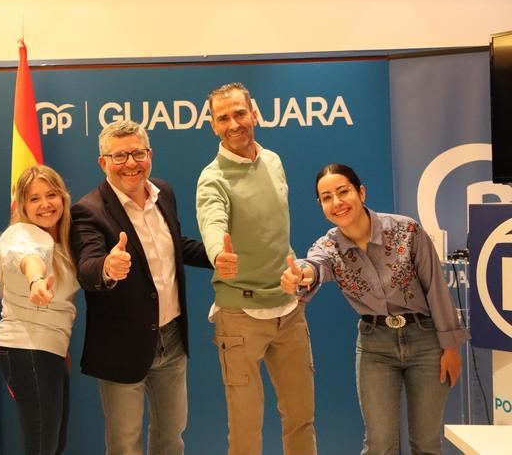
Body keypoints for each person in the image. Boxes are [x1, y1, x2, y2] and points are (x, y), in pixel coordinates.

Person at [281, 163, 469, 454]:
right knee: (379, 443)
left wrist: (450, 347)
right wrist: (301, 275)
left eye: (343, 192)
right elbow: (314, 267)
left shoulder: (406, 230)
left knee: (426, 442)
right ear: (321, 205)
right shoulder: (327, 247)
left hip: (426, 341)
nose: (337, 202)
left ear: (361, 192)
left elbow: (436, 288)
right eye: (327, 197)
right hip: (375, 347)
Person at [70, 120, 224, 455]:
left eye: (137, 153)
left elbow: (176, 245)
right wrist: (108, 267)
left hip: (172, 338)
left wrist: (216, 256)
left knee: (171, 437)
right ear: (103, 162)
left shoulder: (163, 192)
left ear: (149, 155)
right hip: (121, 345)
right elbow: (87, 267)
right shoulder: (88, 210)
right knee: (125, 445)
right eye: (119, 156)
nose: (130, 163)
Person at [196, 82, 316, 455]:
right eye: (223, 118)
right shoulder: (212, 178)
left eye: (239, 114)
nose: (233, 124)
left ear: (254, 114)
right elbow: (212, 221)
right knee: (246, 431)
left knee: (301, 419)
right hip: (240, 315)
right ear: (213, 126)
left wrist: (294, 272)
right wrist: (218, 253)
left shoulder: (274, 161)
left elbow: (275, 232)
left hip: (289, 310)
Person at [0, 165, 79, 455]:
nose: (45, 204)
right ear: (22, 205)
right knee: (43, 446)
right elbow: (29, 258)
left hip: (49, 350)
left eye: (51, 195)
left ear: (63, 197)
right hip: (26, 348)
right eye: (34, 198)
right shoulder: (20, 234)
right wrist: (36, 281)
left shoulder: (62, 241)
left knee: (53, 445)